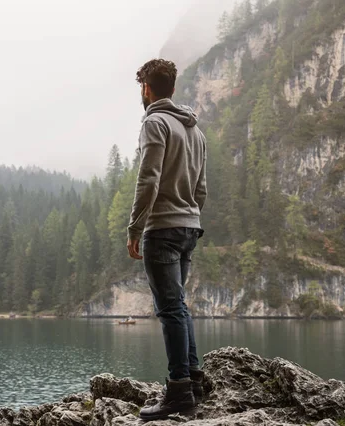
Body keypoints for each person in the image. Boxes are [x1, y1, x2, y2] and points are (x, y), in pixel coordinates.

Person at [127, 59, 207, 421]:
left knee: (170, 309)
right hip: (190, 227)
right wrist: (190, 214)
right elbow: (201, 189)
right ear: (172, 86)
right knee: (179, 306)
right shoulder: (196, 131)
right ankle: (194, 379)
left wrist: (135, 227)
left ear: (147, 88)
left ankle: (179, 392)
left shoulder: (154, 123)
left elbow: (149, 180)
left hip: (161, 229)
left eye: (140, 86)